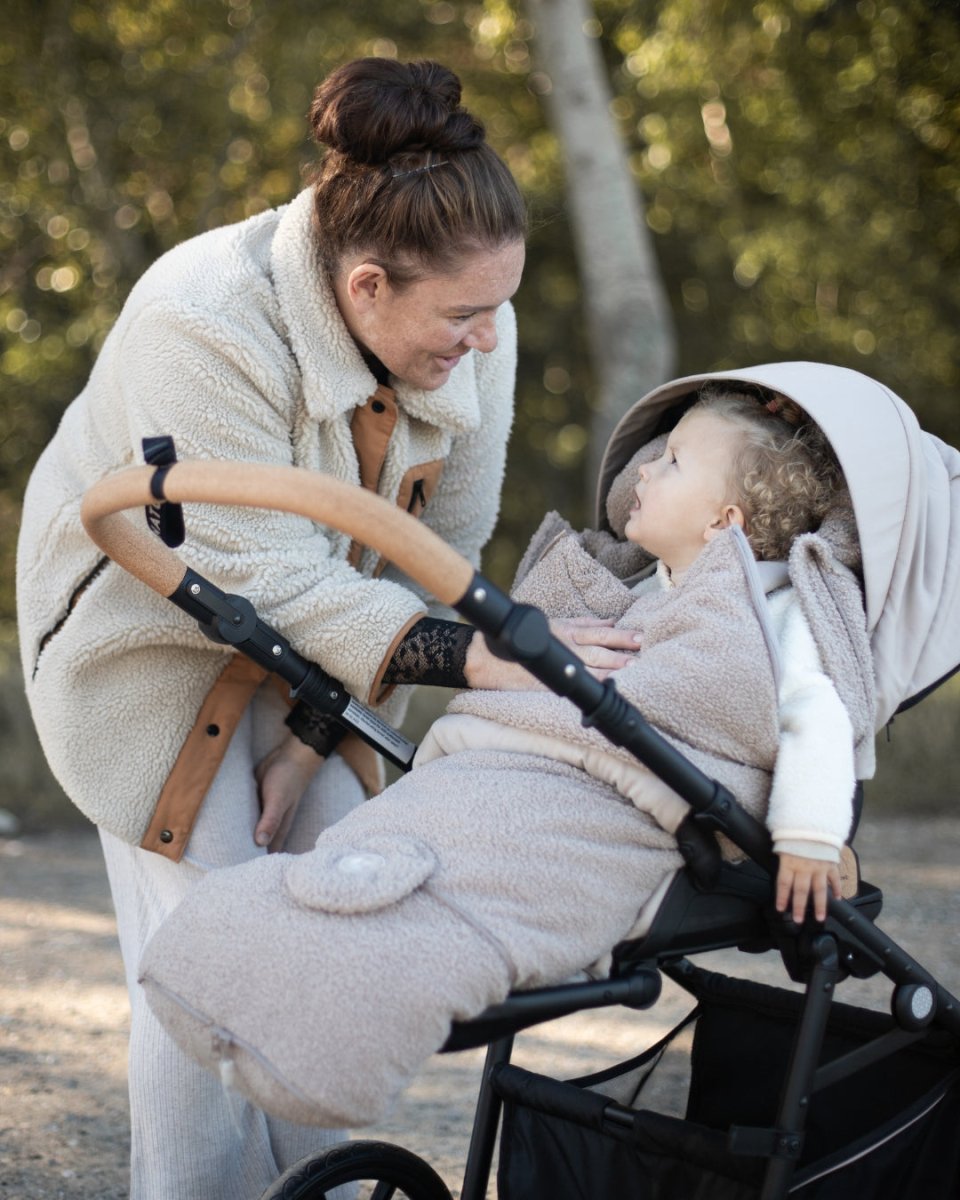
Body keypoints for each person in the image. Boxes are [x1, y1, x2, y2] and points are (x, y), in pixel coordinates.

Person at [16, 56, 630, 1200]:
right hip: (145, 629)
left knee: (339, 900)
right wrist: (484, 659)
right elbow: (258, 569)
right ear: (364, 287)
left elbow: (438, 550)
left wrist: (312, 736)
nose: (488, 341)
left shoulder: (470, 331)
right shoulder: (200, 320)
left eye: (499, 306)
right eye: (465, 315)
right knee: (212, 946)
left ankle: (331, 1188)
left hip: (318, 642)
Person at [139, 382, 874, 1132]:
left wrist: (810, 836)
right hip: (491, 772)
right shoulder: (626, 585)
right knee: (365, 853)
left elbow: (818, 717)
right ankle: (217, 963)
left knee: (452, 902)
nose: (646, 469)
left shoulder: (771, 612)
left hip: (601, 810)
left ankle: (334, 1043)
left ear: (724, 521)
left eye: (675, 461)